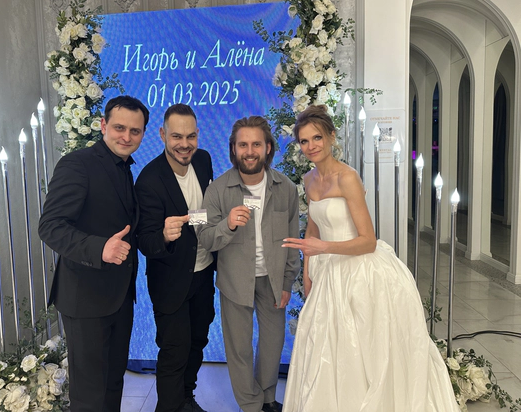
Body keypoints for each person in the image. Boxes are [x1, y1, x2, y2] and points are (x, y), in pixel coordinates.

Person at [281, 105, 460, 412]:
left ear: (331, 137)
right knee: (327, 347)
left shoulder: (348, 177)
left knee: (364, 347)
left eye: (317, 138)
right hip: (327, 273)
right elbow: (312, 231)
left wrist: (324, 248)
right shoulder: (309, 179)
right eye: (304, 141)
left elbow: (367, 241)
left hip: (360, 270)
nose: (311, 146)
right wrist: (308, 275)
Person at [39, 95, 149, 412]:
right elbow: (50, 226)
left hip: (119, 297)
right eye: (119, 128)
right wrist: (100, 248)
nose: (126, 137)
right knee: (89, 395)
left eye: (135, 131)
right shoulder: (78, 164)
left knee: (113, 383)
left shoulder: (125, 168)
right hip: (85, 298)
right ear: (103, 126)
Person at [197, 116, 300, 412]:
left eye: (256, 144)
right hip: (234, 282)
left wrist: (287, 282)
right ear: (233, 149)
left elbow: (292, 239)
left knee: (272, 343)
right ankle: (251, 405)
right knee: (239, 348)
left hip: (273, 280)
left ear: (268, 148)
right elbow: (205, 238)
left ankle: (267, 397)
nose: (250, 151)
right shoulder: (217, 190)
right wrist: (227, 225)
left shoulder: (286, 188)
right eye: (243, 145)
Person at [136, 104, 215, 412]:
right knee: (174, 351)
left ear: (198, 135)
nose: (185, 144)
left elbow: (203, 212)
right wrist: (164, 236)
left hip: (203, 273)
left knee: (197, 343)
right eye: (177, 136)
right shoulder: (149, 180)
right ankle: (169, 407)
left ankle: (185, 399)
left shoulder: (203, 160)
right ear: (162, 135)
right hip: (170, 280)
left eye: (190, 136)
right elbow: (145, 242)